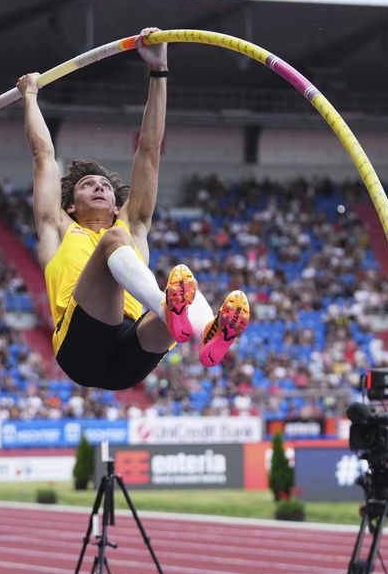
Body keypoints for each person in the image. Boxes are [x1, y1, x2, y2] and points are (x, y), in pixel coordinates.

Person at [16, 27, 249, 391]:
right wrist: (29, 96)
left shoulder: (133, 225)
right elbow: (44, 156)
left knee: (187, 289)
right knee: (120, 247)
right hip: (79, 349)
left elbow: (151, 149)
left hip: (128, 356)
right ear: (70, 205)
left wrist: (159, 72)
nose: (98, 187)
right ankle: (171, 312)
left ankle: (208, 336)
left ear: (115, 202)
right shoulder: (57, 228)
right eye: (87, 185)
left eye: (106, 186)